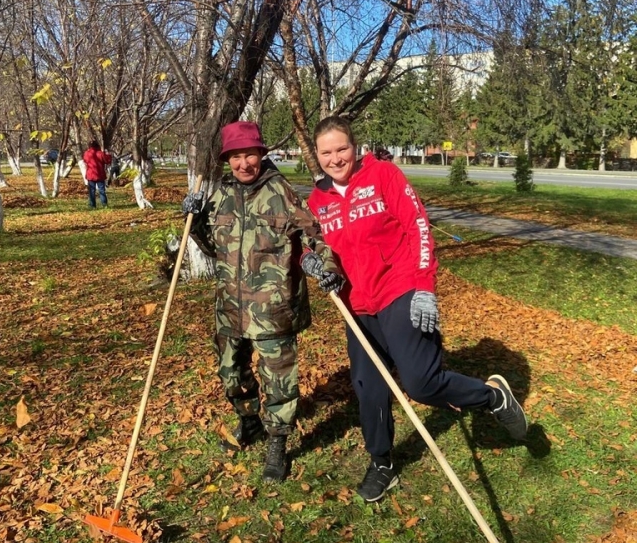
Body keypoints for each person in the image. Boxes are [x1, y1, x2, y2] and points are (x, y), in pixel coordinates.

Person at [307, 116, 528, 503]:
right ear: (317, 155)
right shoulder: (317, 201)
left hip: (399, 288)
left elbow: (418, 226)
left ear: (354, 147)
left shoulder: (384, 176)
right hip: (356, 304)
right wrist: (310, 262)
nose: (335, 158)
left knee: (421, 383)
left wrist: (424, 287)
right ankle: (382, 463)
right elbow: (312, 249)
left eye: (341, 148)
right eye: (326, 152)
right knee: (369, 389)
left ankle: (492, 396)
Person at [182, 121, 343, 482]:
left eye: (249, 155)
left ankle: (278, 443)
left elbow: (317, 238)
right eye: (236, 157)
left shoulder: (282, 193)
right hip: (230, 308)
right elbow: (212, 246)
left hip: (273, 308)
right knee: (230, 373)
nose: (243, 164)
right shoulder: (219, 195)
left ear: (261, 154)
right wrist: (193, 221)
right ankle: (249, 420)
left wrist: (327, 267)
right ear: (228, 160)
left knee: (279, 380)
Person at [82, 139, 112, 208]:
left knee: (92, 191)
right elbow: (107, 161)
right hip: (100, 175)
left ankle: (92, 205)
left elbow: (85, 160)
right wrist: (108, 155)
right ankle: (104, 204)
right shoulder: (100, 153)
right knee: (102, 190)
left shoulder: (87, 153)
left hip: (90, 175)